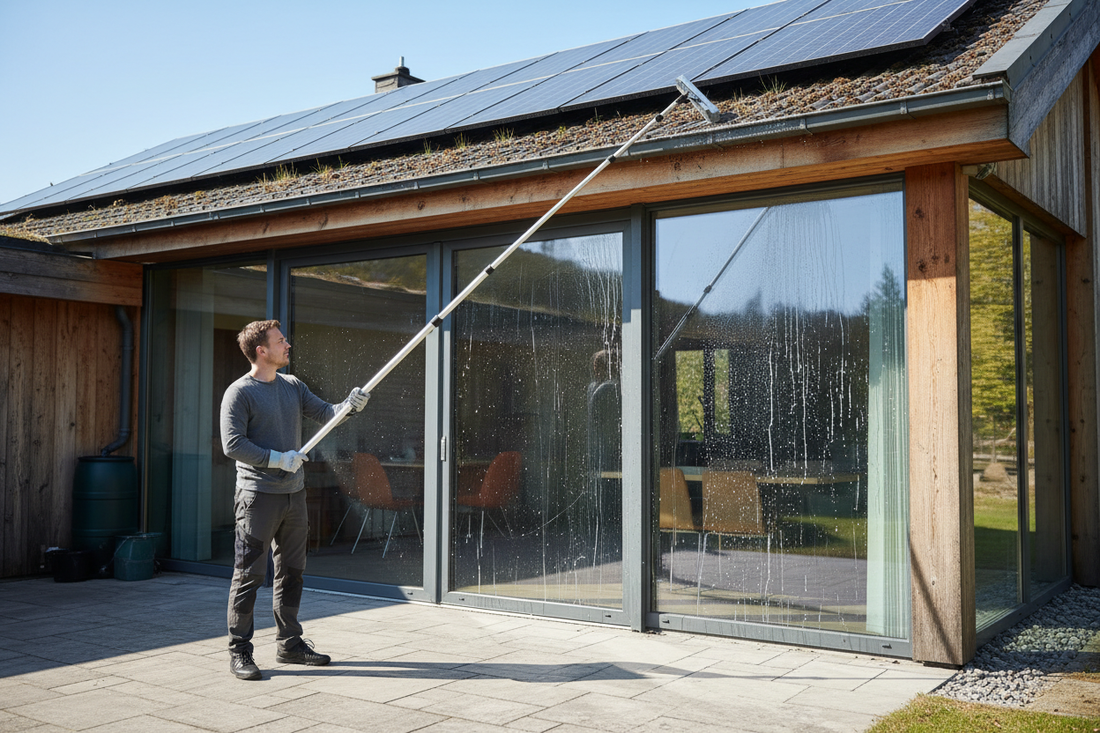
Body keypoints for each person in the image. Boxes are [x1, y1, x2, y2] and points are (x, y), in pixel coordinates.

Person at [220, 319, 370, 681]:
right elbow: (233, 444)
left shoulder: (292, 386)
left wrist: (350, 406)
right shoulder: (239, 393)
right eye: (280, 341)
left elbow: (327, 414)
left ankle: (289, 644)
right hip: (257, 497)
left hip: (294, 495)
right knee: (249, 575)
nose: (287, 345)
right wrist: (277, 458)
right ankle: (240, 651)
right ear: (261, 351)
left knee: (292, 572)